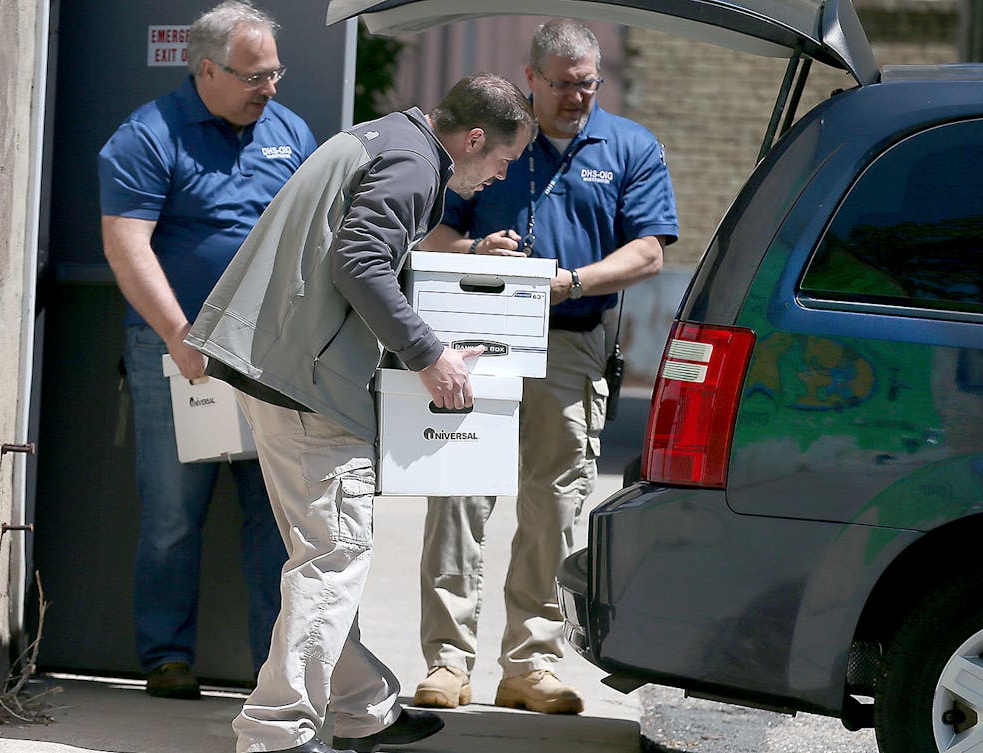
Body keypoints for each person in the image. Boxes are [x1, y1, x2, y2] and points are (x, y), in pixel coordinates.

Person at [188, 74, 536, 753]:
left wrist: (422, 349)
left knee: (323, 553)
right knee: (335, 554)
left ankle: (365, 705)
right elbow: (358, 261)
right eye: (500, 159)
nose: (499, 174)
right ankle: (276, 731)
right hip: (307, 384)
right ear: (472, 139)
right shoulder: (414, 164)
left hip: (280, 368)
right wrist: (429, 354)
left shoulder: (386, 138)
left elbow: (349, 261)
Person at [411, 18, 678, 715]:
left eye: (587, 84)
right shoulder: (495, 134)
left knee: (554, 505)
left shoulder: (629, 146)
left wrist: (577, 279)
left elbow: (649, 251)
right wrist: (474, 253)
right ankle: (447, 660)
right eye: (561, 85)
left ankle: (529, 663)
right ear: (531, 79)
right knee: (459, 495)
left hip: (571, 339)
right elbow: (433, 232)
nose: (575, 97)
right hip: (480, 339)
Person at [97, 0, 317, 700]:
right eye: (255, 77)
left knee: (274, 518)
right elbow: (126, 245)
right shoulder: (147, 135)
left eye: (275, 73)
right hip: (178, 354)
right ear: (206, 70)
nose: (270, 89)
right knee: (171, 514)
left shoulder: (290, 132)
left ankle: (271, 667)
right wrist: (176, 333)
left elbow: (315, 238)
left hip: (269, 359)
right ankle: (166, 657)